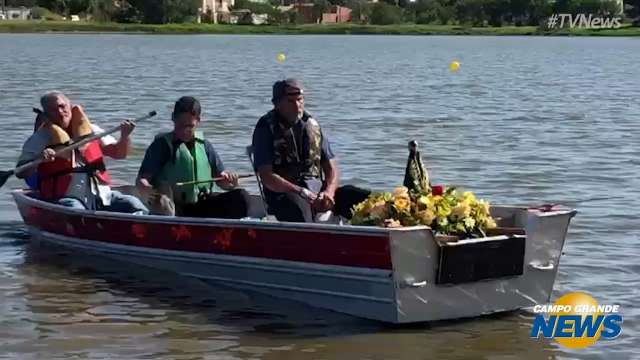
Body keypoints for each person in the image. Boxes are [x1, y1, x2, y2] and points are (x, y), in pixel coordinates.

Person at [251, 78, 370, 222]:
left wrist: (328, 193)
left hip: (318, 193)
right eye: (290, 101)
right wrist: (301, 192)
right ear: (277, 103)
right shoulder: (265, 127)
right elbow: (267, 177)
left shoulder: (311, 124)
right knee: (297, 209)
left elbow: (332, 168)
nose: (297, 106)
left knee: (360, 197)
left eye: (300, 100)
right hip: (285, 195)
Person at [16, 91, 149, 214]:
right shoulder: (40, 138)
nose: (60, 111)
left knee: (134, 204)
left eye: (62, 106)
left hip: (103, 196)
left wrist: (125, 136)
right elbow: (21, 171)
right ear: (46, 114)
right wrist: (40, 158)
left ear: (70, 106)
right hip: (66, 198)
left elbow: (119, 154)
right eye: (53, 109)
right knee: (76, 212)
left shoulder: (92, 131)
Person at [137, 96, 250, 219]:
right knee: (162, 202)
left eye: (190, 126)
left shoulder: (205, 145)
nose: (185, 131)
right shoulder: (161, 146)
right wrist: (145, 188)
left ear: (198, 120)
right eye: (181, 125)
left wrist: (231, 182)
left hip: (201, 205)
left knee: (240, 196)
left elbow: (222, 181)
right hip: (173, 208)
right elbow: (142, 179)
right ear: (173, 118)